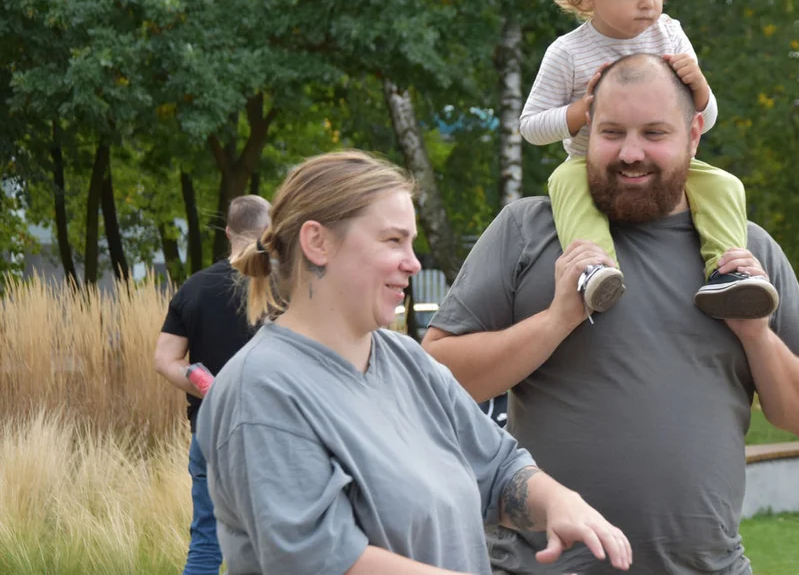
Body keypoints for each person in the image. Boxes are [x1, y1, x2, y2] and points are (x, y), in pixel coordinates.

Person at [425, 54, 799, 574]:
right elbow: (437, 380)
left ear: (693, 135)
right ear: (586, 133)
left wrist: (757, 335)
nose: (630, 153)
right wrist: (556, 319)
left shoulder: (743, 256)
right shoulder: (526, 232)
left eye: (653, 133)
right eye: (612, 132)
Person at [195, 150, 633, 575]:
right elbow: (320, 561)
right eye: (393, 240)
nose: (413, 262)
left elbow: (498, 470)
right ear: (318, 242)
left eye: (413, 242)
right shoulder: (262, 390)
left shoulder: (406, 360)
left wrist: (559, 502)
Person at [520, 0, 777, 320]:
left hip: (662, 162)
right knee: (564, 186)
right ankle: (596, 270)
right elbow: (530, 126)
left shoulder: (670, 36)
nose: (649, 2)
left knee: (725, 185)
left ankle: (727, 272)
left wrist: (700, 88)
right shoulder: (567, 53)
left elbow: (704, 123)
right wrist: (579, 113)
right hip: (591, 167)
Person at [154, 194, 271, 575]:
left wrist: (212, 388)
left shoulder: (194, 288)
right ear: (269, 232)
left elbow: (165, 360)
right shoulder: (282, 289)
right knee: (272, 547)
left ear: (228, 232)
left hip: (210, 428)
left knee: (206, 546)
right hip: (274, 431)